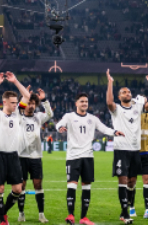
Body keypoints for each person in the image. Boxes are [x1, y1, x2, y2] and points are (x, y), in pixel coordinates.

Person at [56, 93, 125, 225]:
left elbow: (103, 128)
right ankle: (70, 215)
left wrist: (114, 132)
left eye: (86, 102)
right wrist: (60, 128)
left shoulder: (93, 118)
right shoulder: (69, 117)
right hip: (73, 157)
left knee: (86, 186)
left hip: (88, 156)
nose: (84, 104)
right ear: (76, 103)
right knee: (72, 185)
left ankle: (83, 217)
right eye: (82, 101)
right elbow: (58, 124)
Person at [106, 70, 148, 224]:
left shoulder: (138, 107)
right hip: (121, 150)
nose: (127, 93)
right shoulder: (116, 109)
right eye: (123, 92)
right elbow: (109, 102)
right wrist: (110, 82)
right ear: (119, 97)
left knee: (131, 182)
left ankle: (129, 209)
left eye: (128, 91)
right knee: (123, 180)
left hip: (135, 150)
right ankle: (125, 213)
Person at [0, 72, 32, 225]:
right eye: (12, 102)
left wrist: (16, 81)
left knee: (18, 190)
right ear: (5, 102)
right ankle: (2, 220)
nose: (15, 105)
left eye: (16, 102)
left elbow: (26, 96)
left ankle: (3, 212)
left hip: (14, 156)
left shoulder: (18, 115)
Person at [17, 86, 53, 223]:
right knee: (22, 186)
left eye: (33, 103)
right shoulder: (19, 118)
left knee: (38, 184)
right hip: (21, 156)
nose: (31, 106)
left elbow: (49, 114)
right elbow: (19, 106)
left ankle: (41, 214)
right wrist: (24, 95)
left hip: (36, 156)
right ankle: (21, 213)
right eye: (29, 103)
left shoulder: (38, 117)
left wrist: (44, 100)